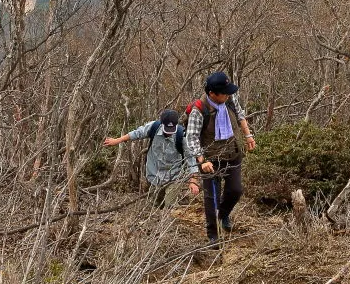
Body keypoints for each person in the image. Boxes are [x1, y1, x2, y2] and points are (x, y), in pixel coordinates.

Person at [185, 72, 257, 244]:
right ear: (212, 93)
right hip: (210, 159)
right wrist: (202, 161)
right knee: (212, 198)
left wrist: (248, 137)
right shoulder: (199, 110)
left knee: (235, 190)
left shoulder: (229, 100)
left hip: (233, 152)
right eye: (223, 92)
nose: (228, 94)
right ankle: (213, 235)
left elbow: (240, 116)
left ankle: (223, 215)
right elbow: (192, 138)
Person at [104, 109, 198, 208]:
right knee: (154, 205)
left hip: (174, 176)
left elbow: (191, 159)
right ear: (162, 124)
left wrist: (193, 181)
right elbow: (136, 134)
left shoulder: (181, 135)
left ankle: (170, 217)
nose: (169, 133)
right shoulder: (154, 127)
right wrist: (117, 140)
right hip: (155, 175)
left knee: (170, 206)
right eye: (167, 129)